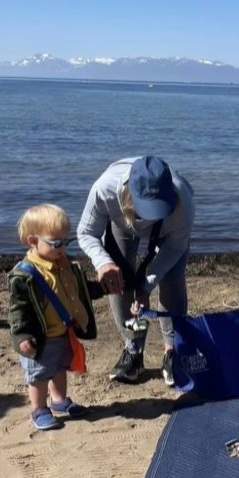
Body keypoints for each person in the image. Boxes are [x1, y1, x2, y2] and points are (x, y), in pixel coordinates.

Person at [77, 155, 195, 385]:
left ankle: (173, 350)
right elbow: (86, 233)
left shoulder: (184, 203)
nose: (151, 215)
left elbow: (175, 247)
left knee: (172, 278)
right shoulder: (105, 189)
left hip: (168, 233)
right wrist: (103, 263)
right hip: (122, 222)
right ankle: (133, 350)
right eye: (147, 208)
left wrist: (146, 285)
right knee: (117, 280)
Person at [8, 204, 105, 430]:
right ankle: (39, 408)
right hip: (40, 338)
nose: (62, 248)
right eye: (56, 243)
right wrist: (21, 335)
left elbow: (78, 292)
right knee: (39, 375)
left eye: (66, 241)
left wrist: (103, 288)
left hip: (63, 331)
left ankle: (60, 400)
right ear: (33, 241)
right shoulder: (25, 274)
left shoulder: (65, 266)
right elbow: (17, 310)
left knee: (60, 368)